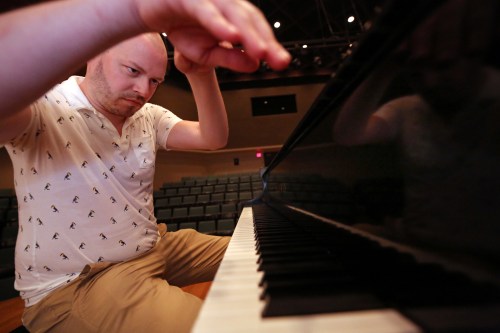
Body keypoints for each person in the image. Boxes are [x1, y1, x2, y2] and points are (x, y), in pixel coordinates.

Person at [0, 0, 291, 332]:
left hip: (155, 244)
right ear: (95, 53)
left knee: (264, 251)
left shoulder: (148, 116)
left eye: (155, 81)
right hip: (82, 282)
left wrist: (200, 72)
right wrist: (124, 10)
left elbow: (213, 139)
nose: (144, 91)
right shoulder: (42, 106)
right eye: (133, 71)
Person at [333, 0, 500, 259]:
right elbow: (347, 135)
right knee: (353, 235)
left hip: (483, 255)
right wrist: (382, 68)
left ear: (474, 52)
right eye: (415, 74)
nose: (429, 82)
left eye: (443, 66)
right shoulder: (407, 108)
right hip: (416, 243)